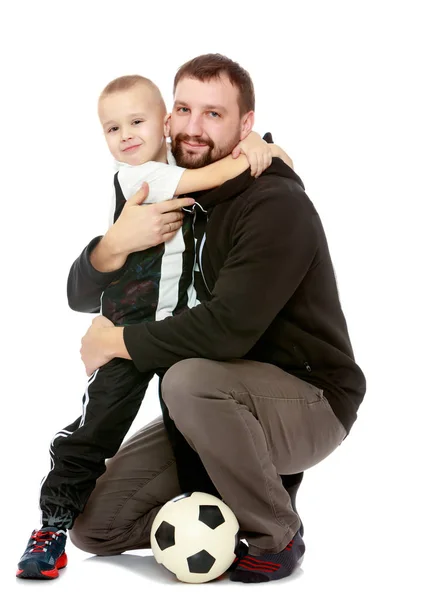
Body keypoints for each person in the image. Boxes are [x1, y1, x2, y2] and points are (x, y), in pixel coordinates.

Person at [67, 53, 365, 584]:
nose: (192, 127)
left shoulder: (274, 203)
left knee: (187, 379)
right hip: (215, 402)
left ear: (245, 125)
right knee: (95, 527)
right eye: (183, 109)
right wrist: (112, 246)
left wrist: (120, 343)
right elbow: (81, 295)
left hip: (311, 400)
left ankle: (277, 533)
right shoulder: (177, 195)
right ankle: (214, 523)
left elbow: (228, 328)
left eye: (214, 114)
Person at [16, 72, 290, 581]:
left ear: (164, 123)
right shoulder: (139, 175)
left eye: (136, 122)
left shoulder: (177, 157)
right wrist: (261, 149)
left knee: (188, 425)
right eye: (111, 128)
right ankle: (52, 525)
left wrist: (258, 142)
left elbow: (223, 177)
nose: (125, 136)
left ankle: (212, 518)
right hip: (130, 326)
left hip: (182, 330)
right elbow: (209, 180)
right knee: (96, 429)